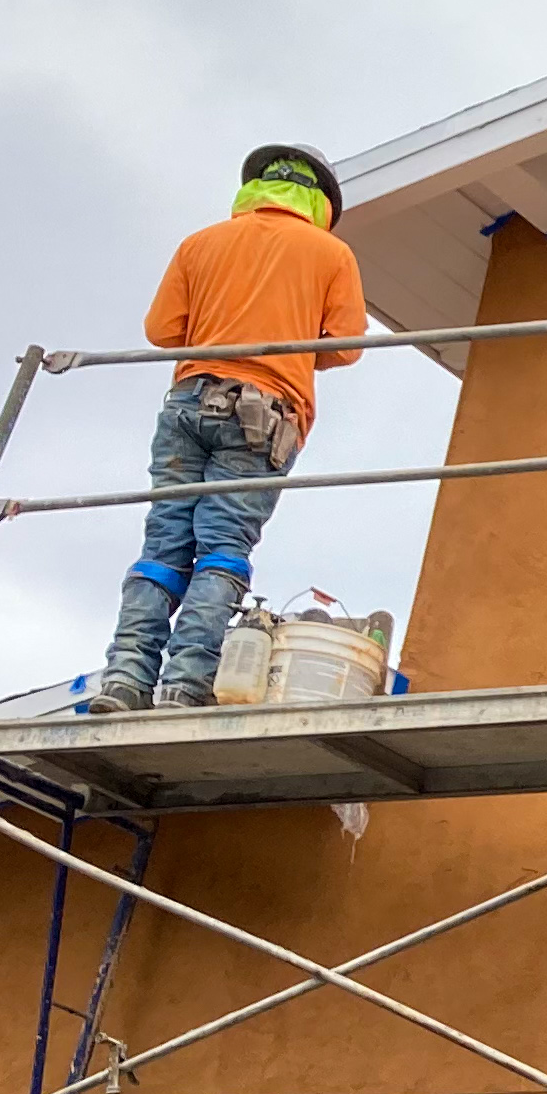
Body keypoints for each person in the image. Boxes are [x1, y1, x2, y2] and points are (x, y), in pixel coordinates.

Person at [84, 145, 366, 714]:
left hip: (188, 401)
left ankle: (124, 678)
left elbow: (164, 331)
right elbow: (346, 344)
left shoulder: (200, 242)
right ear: (319, 202)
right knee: (223, 547)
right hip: (263, 413)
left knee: (163, 542)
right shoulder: (331, 253)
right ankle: (184, 685)